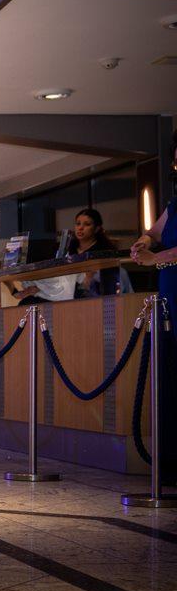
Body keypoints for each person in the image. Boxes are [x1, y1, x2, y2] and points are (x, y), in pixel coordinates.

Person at [131, 132, 177, 486]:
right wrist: (144, 241)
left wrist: (155, 258)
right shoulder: (175, 203)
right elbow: (156, 231)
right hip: (169, 295)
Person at [68, 208, 131, 297]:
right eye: (78, 224)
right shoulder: (68, 251)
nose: (80, 228)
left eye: (87, 224)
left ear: (97, 228)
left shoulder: (105, 253)